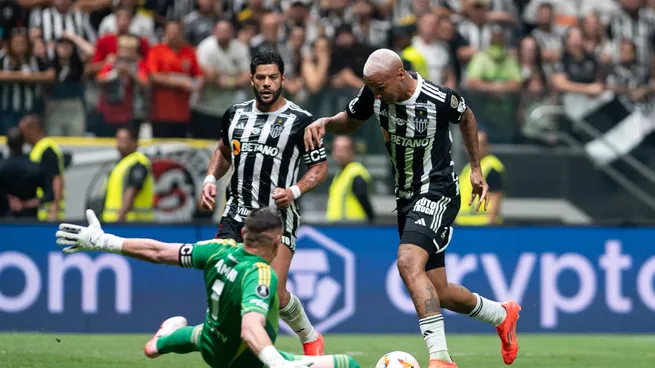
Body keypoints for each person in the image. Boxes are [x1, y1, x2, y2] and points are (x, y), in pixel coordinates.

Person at [304, 48, 521, 368]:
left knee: (407, 261)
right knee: (441, 291)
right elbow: (350, 121)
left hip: (437, 192)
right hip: (407, 199)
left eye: (380, 88)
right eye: (372, 89)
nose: (376, 95)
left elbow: (468, 117)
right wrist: (326, 123)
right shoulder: (374, 92)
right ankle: (501, 314)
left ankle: (441, 358)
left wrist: (475, 168)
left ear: (400, 75)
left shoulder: (439, 98)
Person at [55, 208, 361, 368]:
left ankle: (162, 341)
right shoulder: (261, 274)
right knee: (349, 364)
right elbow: (250, 328)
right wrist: (276, 361)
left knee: (204, 332)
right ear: (278, 242)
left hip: (212, 345)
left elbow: (158, 252)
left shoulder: (216, 249)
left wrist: (104, 241)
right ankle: (167, 339)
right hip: (242, 361)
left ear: (243, 233)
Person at [199, 50, 328, 356]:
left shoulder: (302, 121)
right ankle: (239, 347)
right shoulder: (234, 114)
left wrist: (294, 191)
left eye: (273, 77)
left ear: (283, 79)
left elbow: (320, 168)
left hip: (276, 217)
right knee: (227, 284)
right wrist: (209, 179)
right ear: (252, 79)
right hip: (236, 214)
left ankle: (310, 337)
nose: (267, 83)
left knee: (276, 294)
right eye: (261, 78)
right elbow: (223, 151)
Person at [19, 114, 66, 221]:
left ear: (33, 129)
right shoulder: (37, 150)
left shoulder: (47, 150)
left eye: (23, 131)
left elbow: (56, 179)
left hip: (47, 214)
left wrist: (55, 207)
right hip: (40, 211)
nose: (22, 136)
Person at [102, 127, 154, 222]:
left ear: (134, 143)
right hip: (114, 223)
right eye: (118, 139)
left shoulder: (138, 162)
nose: (119, 143)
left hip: (131, 223)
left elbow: (132, 190)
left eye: (124, 140)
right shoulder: (122, 164)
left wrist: (120, 217)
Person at [456, 131, 506, 225]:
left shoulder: (492, 167)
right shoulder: (469, 167)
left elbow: (496, 197)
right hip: (464, 225)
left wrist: (490, 223)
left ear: (487, 147)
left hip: (482, 226)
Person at [326, 136, 375, 222]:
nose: (339, 152)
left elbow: (363, 197)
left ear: (353, 152)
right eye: (336, 148)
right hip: (337, 228)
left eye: (343, 149)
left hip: (352, 227)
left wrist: (371, 220)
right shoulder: (340, 173)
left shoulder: (356, 172)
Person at [0, 127, 42, 218]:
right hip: (30, 221)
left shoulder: (2, 167)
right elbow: (48, 196)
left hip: (4, 221)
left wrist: (8, 200)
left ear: (7, 143)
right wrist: (24, 204)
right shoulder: (34, 168)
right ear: (24, 143)